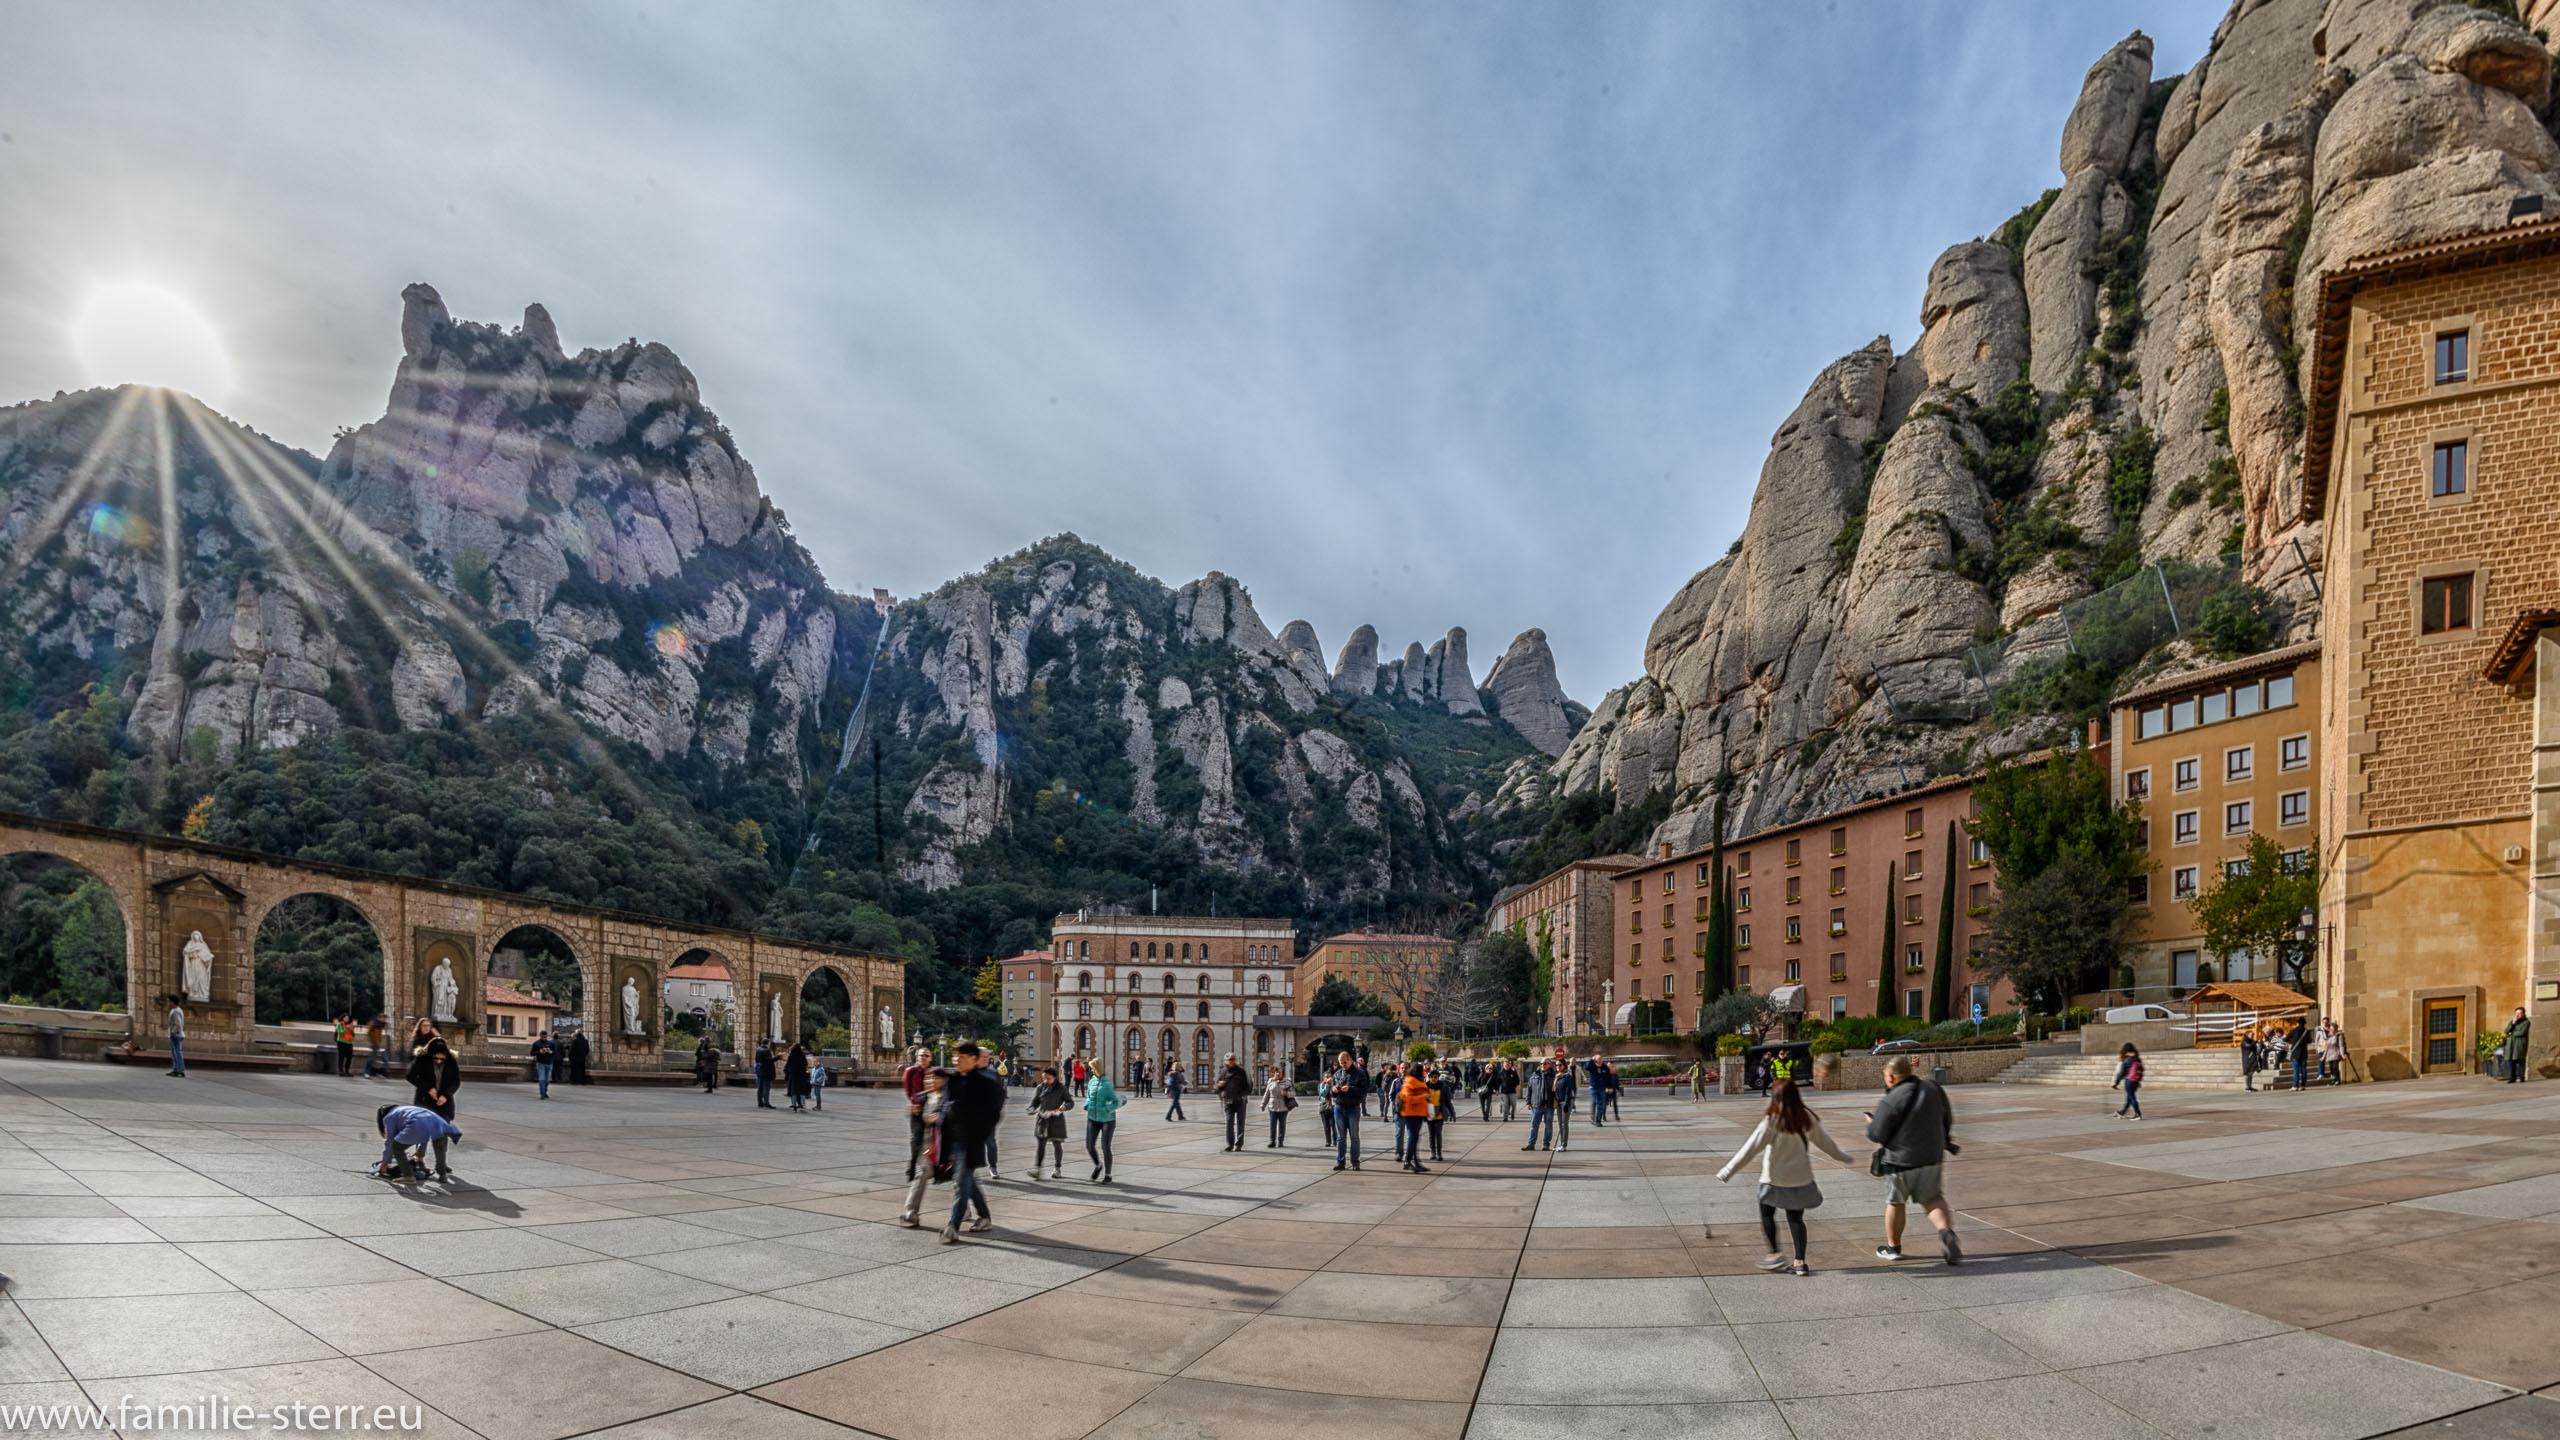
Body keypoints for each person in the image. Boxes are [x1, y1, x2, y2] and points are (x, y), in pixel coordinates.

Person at [1716, 1080, 1854, 1276]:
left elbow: (1750, 1149)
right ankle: (1800, 1263)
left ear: (1776, 1096)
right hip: (1800, 1178)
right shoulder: (1805, 1117)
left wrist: (1727, 1172)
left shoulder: (1772, 1120)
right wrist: (1843, 1157)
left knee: (1766, 1213)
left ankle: (1774, 1254)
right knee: (1796, 1219)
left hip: (1773, 1179)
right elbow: (1827, 1143)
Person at [1865, 1053, 1960, 1265]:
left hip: (1900, 1161)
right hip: (1932, 1156)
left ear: (1890, 1077)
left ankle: (1893, 1248)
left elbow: (1876, 1135)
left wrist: (1871, 1123)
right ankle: (1946, 1233)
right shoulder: (1934, 1089)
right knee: (1933, 1198)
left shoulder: (1890, 1100)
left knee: (1896, 1203)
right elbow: (1947, 1117)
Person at [939, 1042, 1004, 1242]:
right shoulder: (953, 1081)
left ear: (974, 1060)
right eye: (956, 1056)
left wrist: (980, 1133)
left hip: (972, 1142)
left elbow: (994, 1113)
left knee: (961, 1183)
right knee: (968, 1182)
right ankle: (984, 1217)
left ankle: (953, 1226)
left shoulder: (985, 1083)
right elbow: (944, 1109)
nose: (957, 1059)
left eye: (963, 1056)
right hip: (954, 1140)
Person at [405, 1036, 462, 1182]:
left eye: (442, 1059)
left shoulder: (451, 1060)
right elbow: (410, 1076)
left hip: (444, 1103)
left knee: (441, 1134)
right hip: (425, 1101)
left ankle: (441, 1164)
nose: (438, 1061)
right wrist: (428, 1088)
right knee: (423, 1132)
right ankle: (420, 1158)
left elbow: (456, 1081)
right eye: (435, 1058)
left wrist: (446, 1094)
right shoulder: (422, 1058)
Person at [897, 1068, 948, 1226]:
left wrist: (941, 1118)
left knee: (959, 1181)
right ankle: (911, 1212)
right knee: (922, 1173)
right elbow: (916, 1125)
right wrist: (914, 1114)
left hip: (944, 1146)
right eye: (929, 1078)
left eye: (935, 1078)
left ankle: (964, 1210)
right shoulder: (922, 1098)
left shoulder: (948, 1098)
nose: (931, 1081)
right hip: (926, 1145)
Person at [372, 1103, 462, 1183]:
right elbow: (424, 1133)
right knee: (439, 1149)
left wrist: (385, 1162)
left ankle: (408, 1176)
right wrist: (420, 1151)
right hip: (439, 1123)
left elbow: (390, 1141)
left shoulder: (389, 1117)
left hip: (419, 1124)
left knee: (396, 1147)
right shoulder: (406, 1109)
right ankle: (443, 1175)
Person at [1027, 1065, 1071, 1178]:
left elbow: (1070, 1102)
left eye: (1048, 1078)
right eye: (1044, 1078)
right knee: (1041, 1144)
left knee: (1057, 1144)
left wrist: (1063, 1108)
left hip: (1056, 1119)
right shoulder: (1041, 1087)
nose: (1046, 1080)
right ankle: (1037, 1169)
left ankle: (1057, 1168)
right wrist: (1031, 1108)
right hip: (1043, 1120)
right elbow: (1035, 1102)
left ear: (1054, 1077)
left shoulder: (1061, 1088)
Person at [1327, 1050, 1368, 1171]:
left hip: (1353, 1108)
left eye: (1345, 1062)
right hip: (1339, 1107)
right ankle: (1341, 1161)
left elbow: (1364, 1090)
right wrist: (1333, 1090)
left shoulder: (1360, 1074)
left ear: (1350, 1060)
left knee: (1354, 1136)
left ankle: (1355, 1162)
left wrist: (1350, 1089)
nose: (1343, 1065)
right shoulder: (1337, 1074)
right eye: (1341, 1063)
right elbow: (1332, 1094)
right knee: (1340, 1137)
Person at [1084, 1060, 1121, 1182]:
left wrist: (1107, 1109)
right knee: (1089, 1146)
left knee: (1105, 1147)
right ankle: (1097, 1165)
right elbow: (1089, 1096)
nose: (1091, 1070)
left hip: (1107, 1120)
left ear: (1097, 1068)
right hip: (1092, 1118)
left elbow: (1116, 1101)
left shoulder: (1107, 1085)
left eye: (1092, 1068)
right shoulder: (1091, 1082)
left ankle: (1108, 1174)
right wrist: (1087, 1105)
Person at [903, 1047, 933, 1180]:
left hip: (932, 1110)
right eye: (922, 1055)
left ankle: (929, 1163)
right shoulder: (911, 1071)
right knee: (916, 1139)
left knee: (931, 1139)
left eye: (927, 1055)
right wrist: (913, 1102)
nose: (924, 1058)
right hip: (917, 1110)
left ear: (930, 1058)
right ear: (917, 1057)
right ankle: (912, 1165)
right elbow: (908, 1090)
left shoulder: (933, 1072)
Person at [1395, 1064, 1431, 1172]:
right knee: (1412, 1138)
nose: (1424, 1072)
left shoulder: (1418, 1081)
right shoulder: (1410, 1081)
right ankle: (1408, 1160)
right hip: (1411, 1114)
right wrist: (1423, 1097)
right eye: (1422, 1071)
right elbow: (1407, 1098)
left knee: (1414, 1138)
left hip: (1418, 1114)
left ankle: (1414, 1161)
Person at [1217, 1054, 1252, 1151]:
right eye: (1228, 1060)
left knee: (1240, 1124)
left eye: (1232, 1059)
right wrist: (1220, 1085)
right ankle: (1230, 1144)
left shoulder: (1241, 1072)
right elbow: (1218, 1085)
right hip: (1228, 1102)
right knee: (1229, 1123)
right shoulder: (1223, 1072)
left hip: (1240, 1102)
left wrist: (1243, 1095)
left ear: (1235, 1060)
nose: (1231, 1061)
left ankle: (1239, 1144)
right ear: (1225, 1061)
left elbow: (1249, 1086)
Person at [1523, 1059, 1556, 1151]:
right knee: (1534, 1125)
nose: (1543, 1065)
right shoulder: (1534, 1075)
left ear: (1550, 1064)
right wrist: (1528, 1102)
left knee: (1548, 1125)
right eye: (1541, 1063)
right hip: (1536, 1105)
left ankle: (1546, 1144)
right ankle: (1531, 1144)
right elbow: (1529, 1089)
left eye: (1545, 1063)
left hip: (1549, 1105)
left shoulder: (1554, 1076)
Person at [1427, 1064, 1454, 1163]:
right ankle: (1432, 1152)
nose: (1433, 1079)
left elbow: (1448, 1101)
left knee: (1438, 1134)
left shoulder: (1443, 1087)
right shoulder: (1425, 1087)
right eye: (1431, 1077)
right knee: (1431, 1134)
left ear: (1438, 1078)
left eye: (1435, 1077)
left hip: (1439, 1113)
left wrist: (1452, 1113)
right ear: (1429, 1078)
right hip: (1429, 1113)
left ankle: (1439, 1153)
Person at [1262, 1064, 1293, 1147]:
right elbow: (1267, 1094)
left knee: (1282, 1125)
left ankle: (1280, 1141)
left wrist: (1287, 1093)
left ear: (1282, 1073)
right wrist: (1263, 1104)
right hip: (1272, 1106)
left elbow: (1293, 1093)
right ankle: (1272, 1141)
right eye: (1276, 1072)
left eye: (1279, 1072)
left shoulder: (1287, 1082)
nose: (1278, 1074)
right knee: (1272, 1125)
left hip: (1283, 1107)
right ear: (1274, 1073)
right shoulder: (1270, 1081)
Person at [2113, 1043, 2145, 1119]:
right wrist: (2138, 1081)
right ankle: (2122, 1112)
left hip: (2129, 1081)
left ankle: (2138, 1114)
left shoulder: (2126, 1060)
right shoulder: (2137, 1059)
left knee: (2132, 1098)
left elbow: (2121, 1073)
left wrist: (2116, 1082)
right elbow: (2142, 1070)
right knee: (2129, 1097)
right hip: (2135, 1081)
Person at [2503, 1006, 2532, 1084]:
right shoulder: (2512, 1021)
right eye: (2516, 1013)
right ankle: (2513, 1078)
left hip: (2519, 1044)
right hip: (2511, 1044)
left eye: (2519, 1013)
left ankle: (2522, 1077)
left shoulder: (2526, 1022)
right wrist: (2513, 1023)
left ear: (2523, 1014)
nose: (2517, 1015)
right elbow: (2506, 1031)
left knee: (2521, 1060)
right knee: (2511, 1061)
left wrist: (2511, 1033)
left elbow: (2522, 1032)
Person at [529, 1029, 559, 1099]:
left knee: (547, 1080)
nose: (544, 1038)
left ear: (547, 1036)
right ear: (540, 1036)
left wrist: (550, 1051)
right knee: (542, 1079)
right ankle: (542, 1094)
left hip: (549, 1063)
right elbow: (532, 1053)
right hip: (540, 1063)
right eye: (542, 1037)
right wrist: (539, 1052)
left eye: (545, 1037)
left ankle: (545, 1091)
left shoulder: (551, 1043)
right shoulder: (536, 1043)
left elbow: (555, 1052)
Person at [785, 1041, 811, 1113]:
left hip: (793, 1075)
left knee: (794, 1092)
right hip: (801, 1075)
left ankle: (794, 1106)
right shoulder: (802, 1055)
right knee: (802, 1091)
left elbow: (788, 1065)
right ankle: (802, 1104)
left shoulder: (791, 1055)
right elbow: (805, 1064)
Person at [2320, 1019, 2347, 1085]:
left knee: (2335, 1067)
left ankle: (2338, 1080)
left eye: (2332, 1029)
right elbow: (2327, 1048)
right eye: (2330, 1029)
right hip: (2330, 1055)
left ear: (2335, 1029)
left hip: (2336, 1054)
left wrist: (2342, 1054)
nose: (2331, 1030)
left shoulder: (2339, 1036)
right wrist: (2323, 1057)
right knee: (2332, 1068)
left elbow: (2341, 1046)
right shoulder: (2329, 1036)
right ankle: (2334, 1080)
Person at [2289, 1020, 2311, 1093]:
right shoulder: (2306, 1032)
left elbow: (2285, 1038)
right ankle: (2303, 1085)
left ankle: (2295, 1085)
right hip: (2304, 1052)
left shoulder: (2293, 1031)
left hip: (2295, 1052)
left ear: (2297, 1023)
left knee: (2296, 1069)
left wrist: (2292, 1042)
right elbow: (2309, 1041)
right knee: (2304, 1069)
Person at [752, 1042, 776, 1109]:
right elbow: (769, 1060)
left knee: (760, 1088)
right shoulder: (766, 1050)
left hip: (760, 1071)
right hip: (767, 1071)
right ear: (768, 1043)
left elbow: (756, 1060)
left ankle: (760, 1102)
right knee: (766, 1088)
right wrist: (777, 1057)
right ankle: (766, 1102)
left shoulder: (758, 1049)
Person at [165, 1001, 186, 1077]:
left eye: (169, 1001)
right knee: (175, 1054)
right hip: (175, 1035)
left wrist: (173, 1032)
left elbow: (178, 1024)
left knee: (177, 1053)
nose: (168, 1003)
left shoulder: (176, 1011)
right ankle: (176, 1070)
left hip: (176, 1035)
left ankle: (180, 1071)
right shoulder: (174, 1010)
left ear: (172, 1002)